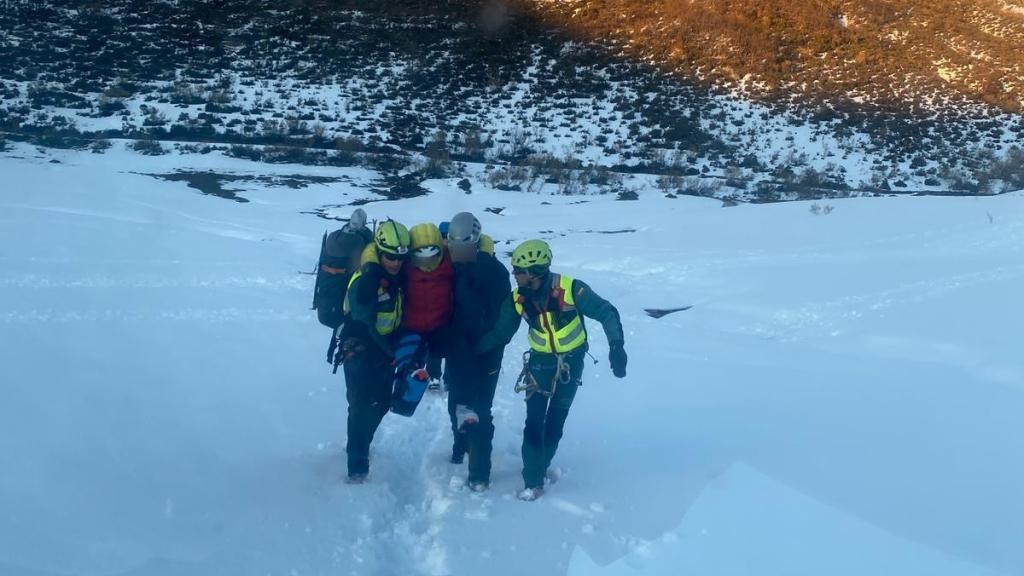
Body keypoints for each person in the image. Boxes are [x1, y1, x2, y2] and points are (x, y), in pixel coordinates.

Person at [474, 239, 627, 500]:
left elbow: (606, 311)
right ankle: (532, 481)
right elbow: (501, 332)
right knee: (533, 422)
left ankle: (541, 465)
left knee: (556, 420)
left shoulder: (571, 289)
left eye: (518, 271)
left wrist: (616, 346)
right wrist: (474, 351)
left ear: (535, 272)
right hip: (539, 362)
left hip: (572, 362)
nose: (514, 275)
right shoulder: (517, 299)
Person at [336, 219, 411, 483]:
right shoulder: (365, 280)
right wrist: (391, 352)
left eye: (401, 257)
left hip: (383, 350)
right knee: (359, 405)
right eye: (390, 256)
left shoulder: (396, 278)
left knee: (379, 404)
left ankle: (359, 442)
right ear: (379, 250)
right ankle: (357, 467)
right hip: (358, 347)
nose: (396, 262)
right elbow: (365, 322)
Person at [445, 212, 511, 490]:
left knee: (480, 407)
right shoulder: (449, 267)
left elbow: (506, 317)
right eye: (453, 245)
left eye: (463, 246)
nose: (457, 251)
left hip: (487, 352)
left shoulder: (495, 273)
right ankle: (461, 445)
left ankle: (479, 473)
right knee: (457, 402)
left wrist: (486, 344)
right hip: (458, 349)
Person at [401, 223, 455, 391]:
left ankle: (438, 376)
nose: (427, 263)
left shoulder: (451, 264)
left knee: (440, 351)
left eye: (432, 256)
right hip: (411, 327)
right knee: (407, 363)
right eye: (421, 257)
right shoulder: (402, 267)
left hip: (440, 323)